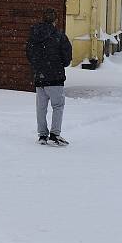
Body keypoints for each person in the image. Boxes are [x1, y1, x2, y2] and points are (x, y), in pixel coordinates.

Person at [26, 8, 72, 147]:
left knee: (41, 107)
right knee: (57, 106)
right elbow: (67, 57)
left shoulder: (34, 35)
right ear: (55, 20)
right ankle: (54, 134)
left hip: (39, 77)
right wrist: (60, 64)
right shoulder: (59, 36)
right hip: (55, 76)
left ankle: (42, 135)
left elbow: (29, 53)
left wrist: (38, 66)